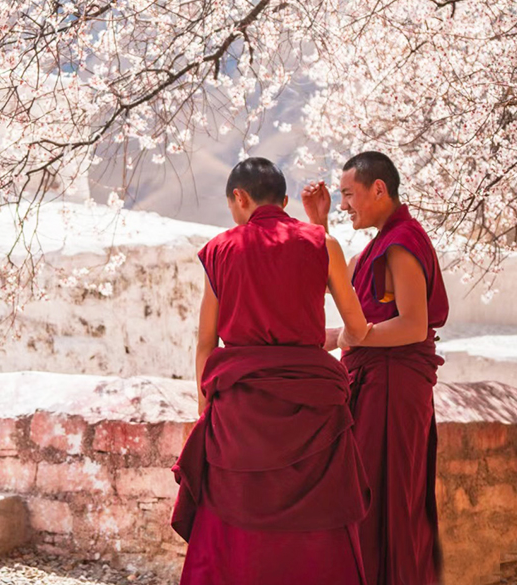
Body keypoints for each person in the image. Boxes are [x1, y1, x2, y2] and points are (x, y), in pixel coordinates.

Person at [171, 157, 373, 585]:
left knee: (233, 536)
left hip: (239, 416)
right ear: (283, 201)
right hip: (314, 414)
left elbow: (206, 344)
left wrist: (206, 416)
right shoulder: (323, 243)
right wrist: (327, 339)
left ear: (239, 198)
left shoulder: (222, 249)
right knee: (319, 532)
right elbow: (356, 328)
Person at [302, 151, 448, 585]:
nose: (345, 203)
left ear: (378, 189)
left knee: (387, 504)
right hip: (374, 384)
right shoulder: (381, 241)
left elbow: (413, 325)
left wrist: (352, 337)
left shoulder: (402, 241)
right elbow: (344, 297)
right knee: (369, 500)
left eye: (348, 194)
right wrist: (320, 225)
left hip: (392, 389)